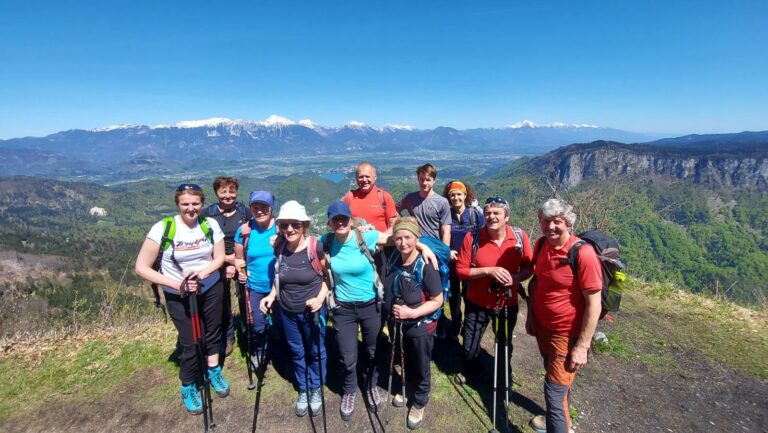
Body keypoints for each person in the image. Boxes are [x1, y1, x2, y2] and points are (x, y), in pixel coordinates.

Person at [324, 200, 438, 421]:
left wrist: (423, 246)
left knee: (376, 351)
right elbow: (299, 241)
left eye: (343, 218)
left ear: (350, 220)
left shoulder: (365, 237)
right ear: (329, 222)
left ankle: (373, 386)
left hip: (371, 306)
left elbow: (401, 237)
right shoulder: (325, 240)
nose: (339, 222)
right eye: (335, 219)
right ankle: (349, 391)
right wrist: (279, 237)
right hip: (344, 308)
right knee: (348, 356)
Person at [135, 183, 230, 415]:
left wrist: (203, 273)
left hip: (210, 287)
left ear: (202, 203)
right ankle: (188, 384)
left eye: (195, 203)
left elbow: (219, 259)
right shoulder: (163, 228)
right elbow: (141, 267)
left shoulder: (210, 225)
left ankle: (213, 369)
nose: (191, 208)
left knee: (213, 332)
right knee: (190, 341)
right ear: (177, 204)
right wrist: (177, 284)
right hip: (177, 293)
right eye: (185, 204)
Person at [525, 198, 603, 433]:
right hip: (543, 328)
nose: (550, 227)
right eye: (546, 221)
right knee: (556, 382)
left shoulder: (583, 254)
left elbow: (594, 304)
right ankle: (562, 422)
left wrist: (582, 346)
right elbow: (536, 283)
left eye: (556, 222)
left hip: (565, 333)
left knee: (554, 392)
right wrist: (531, 317)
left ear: (568, 223)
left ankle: (559, 424)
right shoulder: (540, 245)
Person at [260, 200, 329, 418]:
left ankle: (316, 387)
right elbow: (279, 277)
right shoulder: (279, 247)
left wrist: (319, 299)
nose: (290, 229)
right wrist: (271, 296)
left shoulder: (315, 247)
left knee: (316, 350)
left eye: (295, 225)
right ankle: (304, 388)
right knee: (297, 350)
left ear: (304, 226)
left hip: (313, 312)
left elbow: (327, 278)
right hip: (287, 311)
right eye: (285, 225)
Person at [454, 196, 532, 385]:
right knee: (470, 343)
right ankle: (473, 369)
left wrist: (514, 279)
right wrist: (488, 270)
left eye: (497, 213)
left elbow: (529, 267)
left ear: (506, 217)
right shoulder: (472, 238)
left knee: (504, 342)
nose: (491, 217)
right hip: (476, 300)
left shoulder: (519, 237)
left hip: (507, 301)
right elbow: (461, 270)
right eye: (487, 213)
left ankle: (503, 373)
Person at [383, 216, 444, 430]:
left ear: (416, 238)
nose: (403, 243)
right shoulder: (392, 257)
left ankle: (420, 401)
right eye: (398, 238)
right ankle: (407, 387)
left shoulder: (426, 264)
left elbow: (438, 300)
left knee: (420, 362)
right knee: (405, 357)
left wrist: (412, 313)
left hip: (421, 325)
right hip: (399, 323)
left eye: (408, 237)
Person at [201, 176, 249, 358]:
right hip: (217, 262)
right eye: (223, 192)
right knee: (222, 301)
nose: (228, 196)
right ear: (216, 193)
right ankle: (227, 336)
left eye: (231, 191)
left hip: (241, 261)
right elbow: (204, 242)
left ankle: (247, 333)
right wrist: (226, 261)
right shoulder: (208, 214)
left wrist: (234, 261)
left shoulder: (245, 212)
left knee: (246, 298)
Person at [234, 190, 276, 369]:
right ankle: (261, 352)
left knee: (282, 325)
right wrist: (242, 271)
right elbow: (239, 258)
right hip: (255, 287)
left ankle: (280, 353)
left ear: (271, 208)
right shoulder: (244, 231)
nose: (259, 211)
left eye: (264, 207)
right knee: (258, 325)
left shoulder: (282, 228)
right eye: (255, 207)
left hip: (280, 287)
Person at [441, 180, 485, 342]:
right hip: (451, 262)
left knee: (469, 294)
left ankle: (468, 323)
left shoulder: (475, 215)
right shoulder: (446, 215)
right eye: (452, 195)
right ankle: (456, 322)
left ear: (466, 195)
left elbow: (484, 235)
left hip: (470, 263)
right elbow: (442, 236)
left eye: (459, 194)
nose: (456, 198)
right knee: (453, 295)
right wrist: (447, 251)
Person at [396, 163, 451, 246]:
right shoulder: (410, 198)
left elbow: (446, 231)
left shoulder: (442, 202)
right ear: (418, 179)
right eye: (422, 179)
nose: (424, 183)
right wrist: (404, 223)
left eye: (428, 180)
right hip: (415, 246)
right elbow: (394, 211)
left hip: (434, 246)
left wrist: (445, 252)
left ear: (434, 180)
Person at [342, 162, 398, 233]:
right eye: (361, 177)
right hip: (355, 242)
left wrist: (379, 238)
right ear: (356, 178)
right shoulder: (349, 197)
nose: (364, 180)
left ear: (375, 177)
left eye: (367, 176)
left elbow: (394, 226)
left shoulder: (385, 197)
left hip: (380, 243)